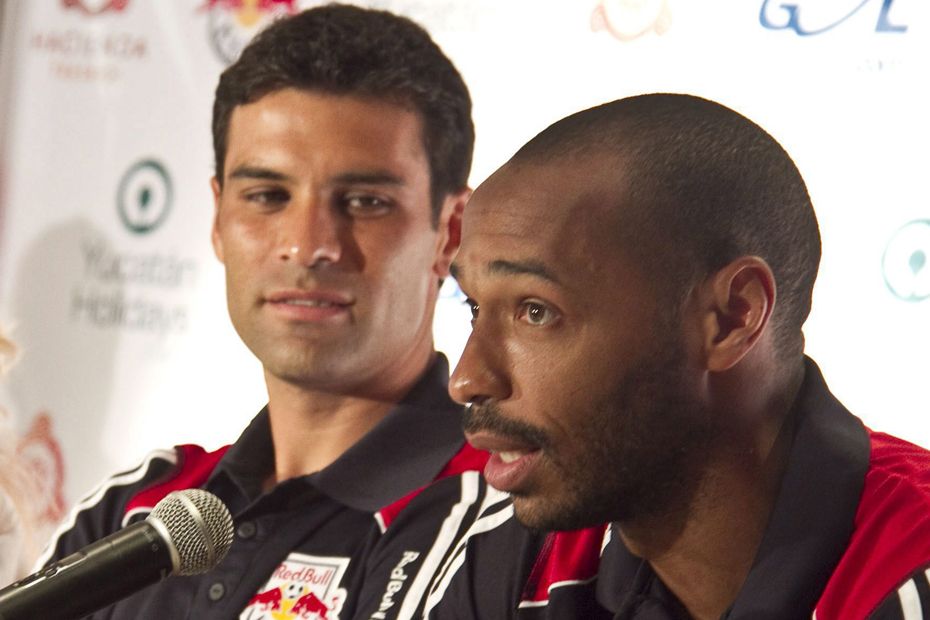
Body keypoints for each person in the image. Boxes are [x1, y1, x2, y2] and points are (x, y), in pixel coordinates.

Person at [355, 93, 930, 619]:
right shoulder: (501, 550)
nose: (466, 379)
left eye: (535, 311)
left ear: (731, 318)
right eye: (476, 308)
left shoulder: (910, 572)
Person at [36, 5, 486, 618]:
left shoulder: (515, 519)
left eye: (364, 201)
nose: (307, 245)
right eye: (268, 195)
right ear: (218, 218)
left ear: (450, 231)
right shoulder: (128, 517)